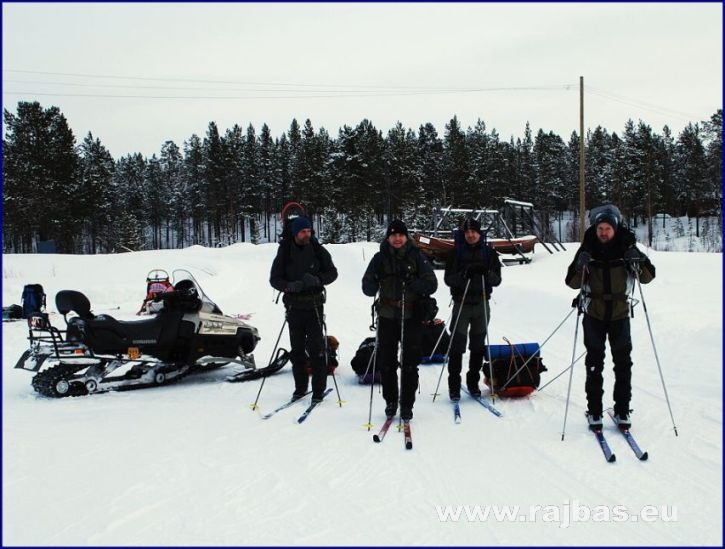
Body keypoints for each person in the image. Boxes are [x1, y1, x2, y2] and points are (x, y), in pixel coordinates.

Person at [565, 204, 655, 430]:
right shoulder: (587, 247)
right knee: (594, 363)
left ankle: (622, 410)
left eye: (608, 228)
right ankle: (595, 411)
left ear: (615, 228)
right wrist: (580, 265)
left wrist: (639, 259)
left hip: (620, 314)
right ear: (595, 229)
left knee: (623, 364)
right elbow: (571, 283)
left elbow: (647, 278)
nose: (603, 232)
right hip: (593, 314)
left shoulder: (627, 246)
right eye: (600, 228)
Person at [362, 219, 438, 421]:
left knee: (410, 363)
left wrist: (413, 282)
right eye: (393, 235)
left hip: (411, 316)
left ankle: (407, 404)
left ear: (406, 237)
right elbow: (366, 287)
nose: (397, 239)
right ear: (388, 237)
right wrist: (373, 282)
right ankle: (391, 401)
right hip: (387, 315)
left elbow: (432, 284)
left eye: (400, 235)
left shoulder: (417, 256)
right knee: (387, 362)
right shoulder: (379, 258)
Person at [270, 216, 338, 402]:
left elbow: (332, 273)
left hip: (314, 305)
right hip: (294, 306)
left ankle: (318, 391)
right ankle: (300, 388)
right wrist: (288, 286)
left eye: (309, 231)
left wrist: (317, 280)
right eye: (303, 232)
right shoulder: (285, 250)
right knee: (297, 350)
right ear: (295, 233)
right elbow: (274, 279)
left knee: (317, 350)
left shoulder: (317, 249)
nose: (307, 235)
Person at [443, 218, 502, 400]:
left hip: (482, 303)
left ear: (479, 233)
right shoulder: (455, 253)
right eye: (467, 232)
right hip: (462, 303)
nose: (470, 235)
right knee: (457, 345)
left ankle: (473, 383)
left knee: (477, 345)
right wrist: (463, 274)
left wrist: (487, 273)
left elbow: (497, 280)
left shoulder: (489, 253)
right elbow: (448, 279)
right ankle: (454, 385)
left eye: (473, 231)